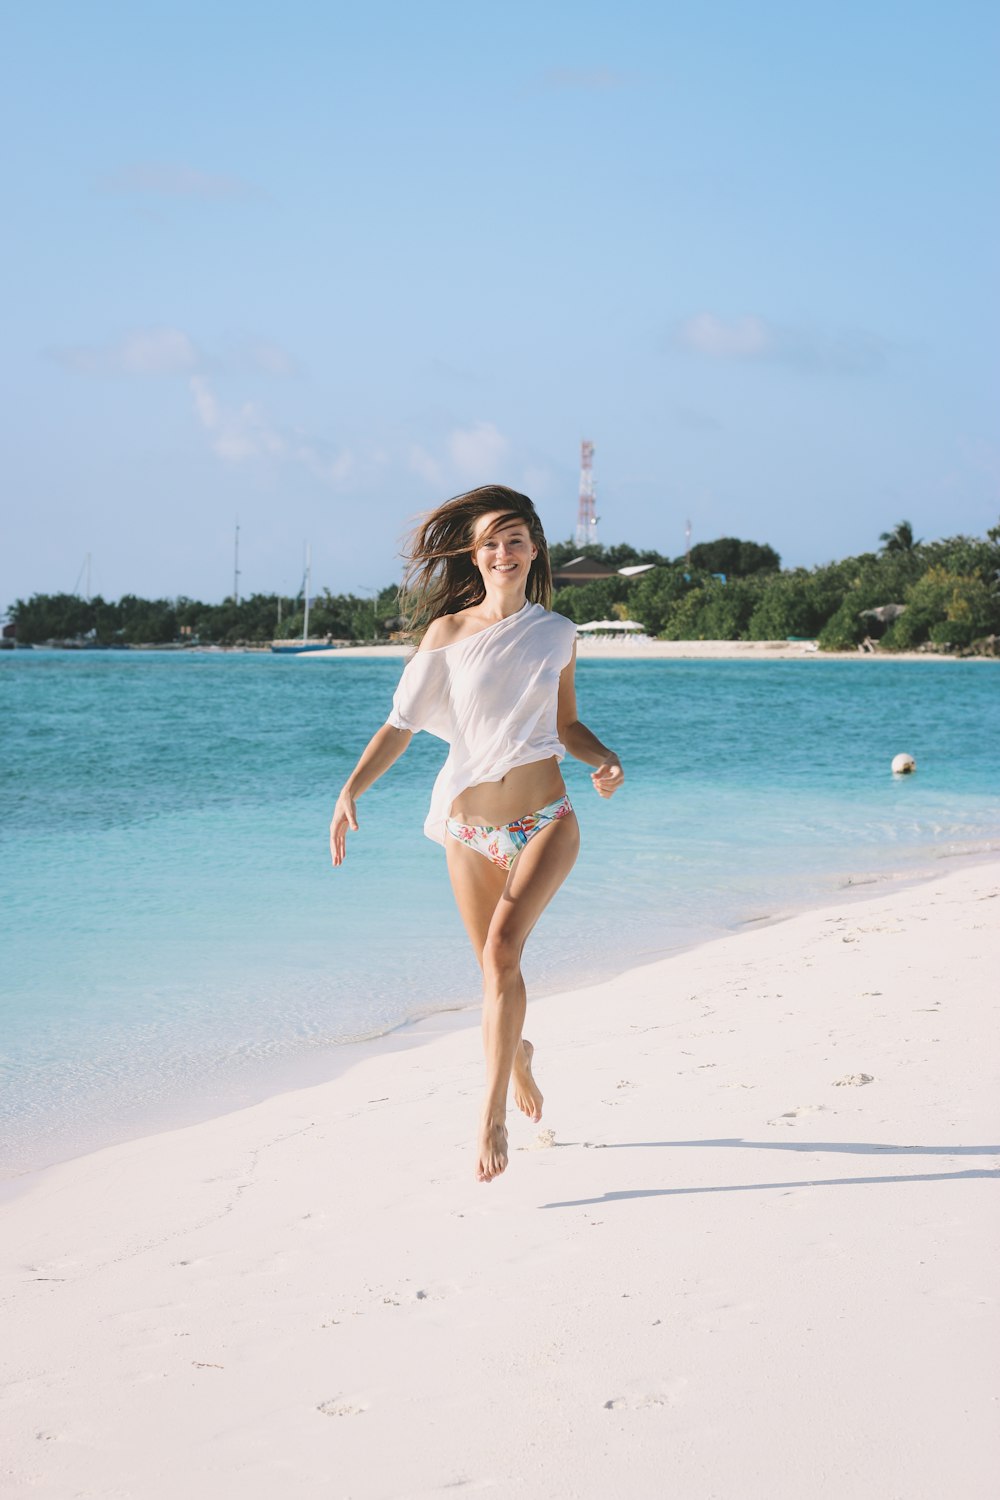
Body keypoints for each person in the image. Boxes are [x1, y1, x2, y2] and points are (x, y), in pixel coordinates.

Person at [329, 485, 623, 1182]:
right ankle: (516, 1054)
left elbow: (566, 724)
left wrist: (604, 759)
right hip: (470, 831)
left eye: (515, 538)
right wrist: (350, 789)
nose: (503, 552)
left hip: (547, 819)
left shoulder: (556, 633)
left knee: (501, 952)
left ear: (535, 548)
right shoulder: (449, 634)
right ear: (474, 553)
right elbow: (400, 724)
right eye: (490, 541)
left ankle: (489, 1116)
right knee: (497, 970)